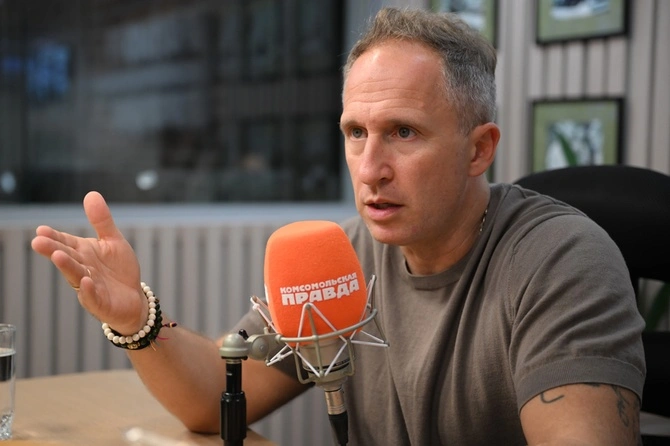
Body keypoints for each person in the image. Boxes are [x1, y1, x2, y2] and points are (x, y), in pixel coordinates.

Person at [30, 7, 645, 445]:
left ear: (478, 149)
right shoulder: (342, 256)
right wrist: (137, 318)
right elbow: (214, 397)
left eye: (403, 132)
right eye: (356, 133)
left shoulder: (561, 260)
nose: (370, 168)